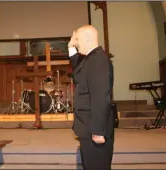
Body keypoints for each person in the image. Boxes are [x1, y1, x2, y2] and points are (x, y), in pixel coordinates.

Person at [68, 25, 114, 170]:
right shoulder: (91, 59)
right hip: (88, 127)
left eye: (77, 39)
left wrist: (98, 131)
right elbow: (79, 71)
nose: (75, 42)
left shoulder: (98, 60)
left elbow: (100, 96)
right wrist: (70, 47)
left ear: (88, 39)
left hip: (93, 129)